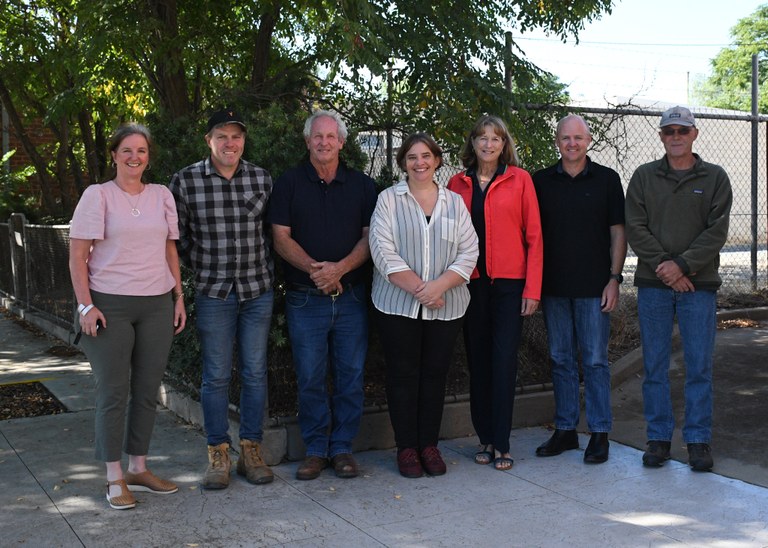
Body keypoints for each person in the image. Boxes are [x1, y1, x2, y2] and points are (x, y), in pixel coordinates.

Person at [69, 123, 186, 510]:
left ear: (148, 156)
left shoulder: (161, 195)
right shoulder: (97, 196)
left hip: (156, 304)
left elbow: (170, 251)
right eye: (127, 150)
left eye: (141, 150)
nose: (135, 157)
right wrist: (86, 305)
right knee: (113, 392)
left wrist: (178, 297)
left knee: (148, 391)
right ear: (114, 154)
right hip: (109, 305)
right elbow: (77, 256)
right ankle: (114, 477)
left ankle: (139, 467)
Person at [268, 110, 377, 481]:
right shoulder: (289, 183)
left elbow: (370, 238)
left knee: (350, 375)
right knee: (311, 377)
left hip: (351, 298)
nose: (324, 142)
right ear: (307, 141)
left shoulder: (363, 186)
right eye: (317, 136)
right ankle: (315, 449)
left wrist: (340, 269)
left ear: (342, 143)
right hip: (304, 298)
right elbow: (280, 237)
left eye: (331, 137)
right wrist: (319, 272)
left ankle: (342, 447)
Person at [169, 109, 275, 489]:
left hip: (256, 291)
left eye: (236, 136)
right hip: (214, 292)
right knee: (215, 376)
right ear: (208, 140)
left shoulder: (261, 178)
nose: (230, 143)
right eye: (222, 136)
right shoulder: (185, 181)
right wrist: (199, 266)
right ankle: (218, 453)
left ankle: (251, 450)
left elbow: (270, 233)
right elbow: (177, 239)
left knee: (254, 373)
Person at [626, 106, 732, 472]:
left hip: (697, 287)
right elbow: (635, 227)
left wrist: (683, 266)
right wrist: (666, 268)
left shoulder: (716, 178)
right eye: (668, 130)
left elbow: (716, 232)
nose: (675, 136)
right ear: (660, 136)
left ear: (694, 134)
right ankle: (658, 439)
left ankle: (698, 441)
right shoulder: (643, 176)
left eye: (682, 130)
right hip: (654, 286)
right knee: (654, 365)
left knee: (698, 366)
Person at [371, 132, 478, 478]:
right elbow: (382, 251)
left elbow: (469, 251)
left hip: (447, 306)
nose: (420, 163)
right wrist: (423, 290)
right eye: (412, 157)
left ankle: (429, 446)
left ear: (437, 161)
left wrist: (440, 287)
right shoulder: (389, 200)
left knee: (435, 376)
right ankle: (406, 449)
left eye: (426, 156)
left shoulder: (454, 203)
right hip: (398, 305)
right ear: (403, 162)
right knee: (403, 375)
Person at [447, 115, 542, 471]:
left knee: (503, 362)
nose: (488, 144)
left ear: (505, 145)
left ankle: (502, 442)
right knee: (478, 362)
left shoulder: (520, 180)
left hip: (509, 285)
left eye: (496, 138)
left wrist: (532, 288)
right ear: (472, 143)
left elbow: (535, 237)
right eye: (482, 138)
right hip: (469, 284)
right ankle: (484, 437)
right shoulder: (456, 184)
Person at [532, 114, 627, 464]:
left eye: (578, 137)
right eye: (565, 138)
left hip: (594, 288)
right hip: (554, 288)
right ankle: (566, 430)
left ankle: (600, 432)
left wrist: (614, 278)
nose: (572, 143)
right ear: (557, 141)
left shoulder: (606, 179)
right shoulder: (541, 181)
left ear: (588, 141)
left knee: (595, 361)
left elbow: (619, 231)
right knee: (560, 360)